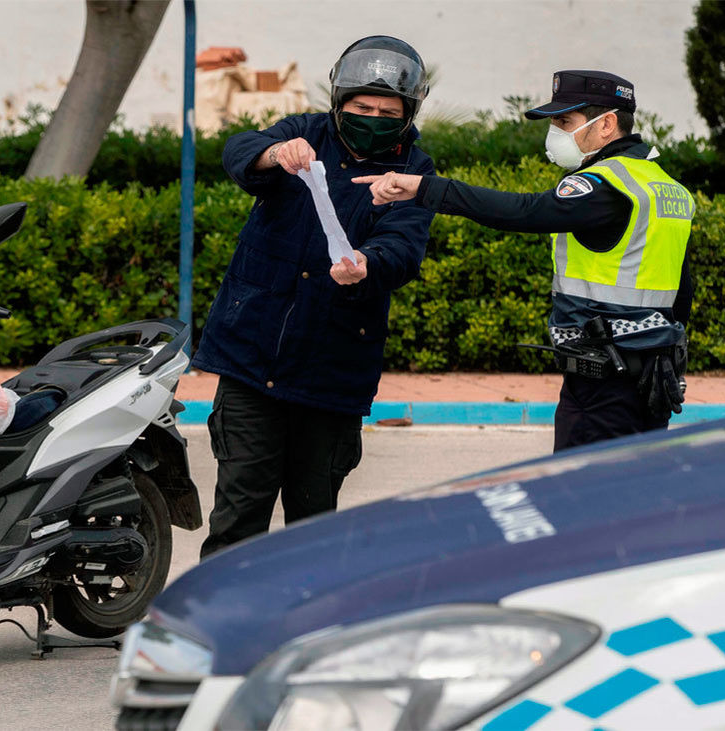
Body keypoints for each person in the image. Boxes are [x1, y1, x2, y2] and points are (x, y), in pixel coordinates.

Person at [354, 70, 695, 452]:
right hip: (652, 377)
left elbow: (525, 212)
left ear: (607, 125)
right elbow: (682, 286)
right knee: (634, 498)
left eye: (565, 121)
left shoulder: (604, 184)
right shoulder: (664, 186)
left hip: (604, 384)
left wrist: (425, 187)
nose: (556, 132)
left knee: (580, 499)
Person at [192, 36, 436, 558]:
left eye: (386, 111)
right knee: (238, 519)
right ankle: (222, 632)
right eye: (361, 107)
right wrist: (272, 153)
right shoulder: (305, 132)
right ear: (339, 101)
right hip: (253, 360)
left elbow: (404, 245)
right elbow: (238, 152)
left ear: (408, 113)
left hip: (333, 371)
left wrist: (370, 264)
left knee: (312, 529)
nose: (372, 117)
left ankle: (305, 632)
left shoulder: (414, 170)